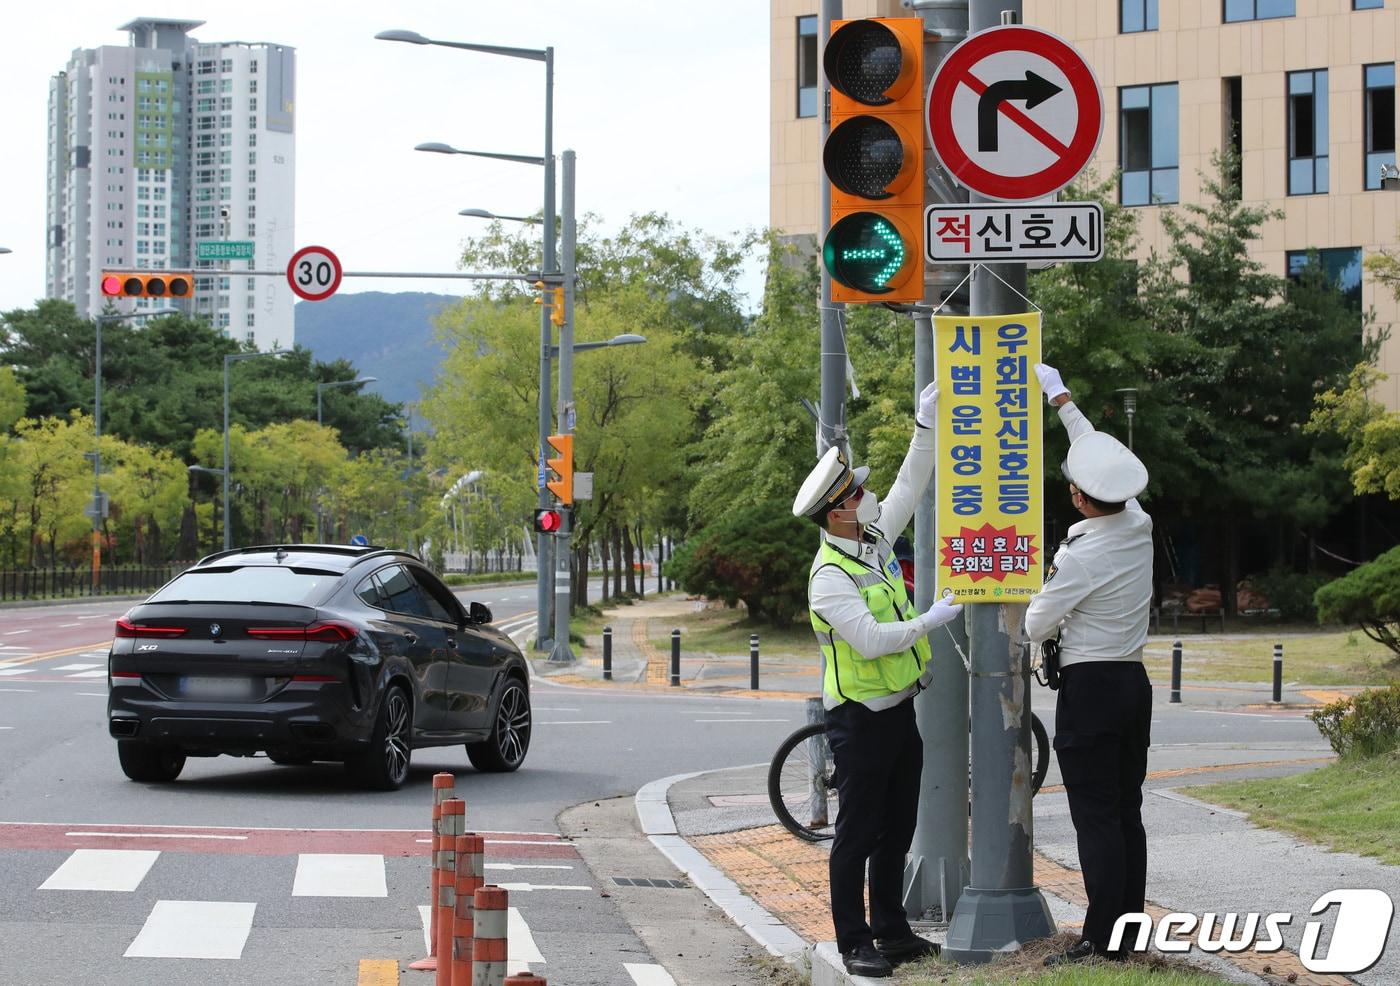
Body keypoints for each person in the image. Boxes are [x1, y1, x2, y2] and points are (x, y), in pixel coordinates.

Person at [791, 382, 963, 978]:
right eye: (858, 492)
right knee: (857, 834)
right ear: (837, 508)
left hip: (898, 712)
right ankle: (853, 941)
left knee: (898, 827)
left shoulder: (871, 541)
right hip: (859, 718)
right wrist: (931, 620)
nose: (868, 496)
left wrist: (926, 423)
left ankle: (892, 931)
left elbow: (911, 484)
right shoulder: (829, 577)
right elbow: (870, 639)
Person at [1024, 362, 1154, 966]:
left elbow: (1034, 625)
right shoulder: (1138, 524)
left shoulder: (1079, 556)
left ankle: (1100, 940)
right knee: (1126, 812)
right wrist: (1062, 399)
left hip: (1092, 687)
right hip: (1133, 682)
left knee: (1096, 817)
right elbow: (1097, 457)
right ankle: (1127, 931)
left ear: (1078, 498)